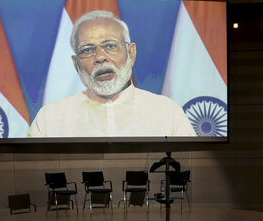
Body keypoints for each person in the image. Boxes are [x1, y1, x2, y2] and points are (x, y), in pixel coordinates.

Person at [27, 10, 197, 138]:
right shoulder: (49, 118)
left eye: (110, 46)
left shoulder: (167, 112)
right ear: (75, 63)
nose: (100, 57)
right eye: (87, 50)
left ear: (131, 53)